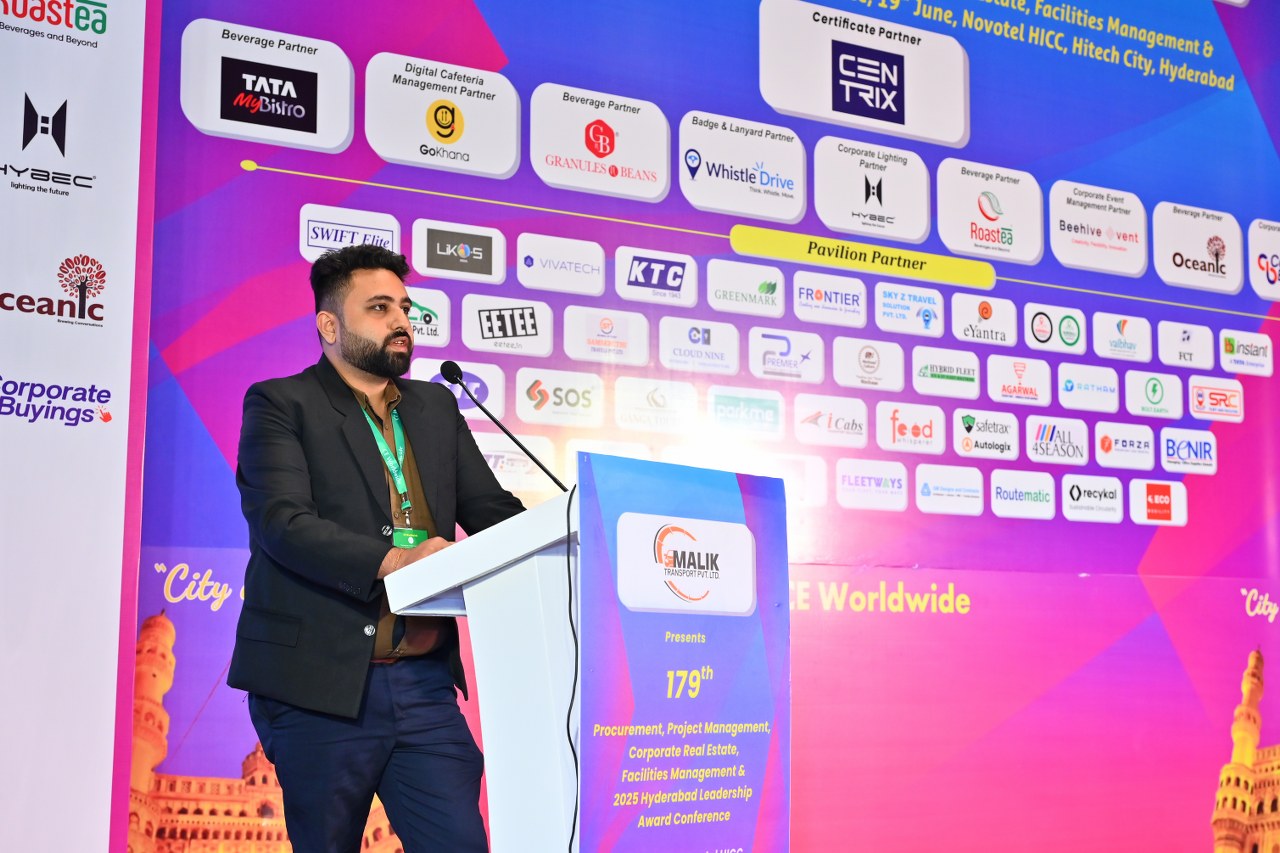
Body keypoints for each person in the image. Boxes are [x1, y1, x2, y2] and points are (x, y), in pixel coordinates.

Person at [228, 243, 524, 852]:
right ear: (329, 325)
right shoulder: (281, 403)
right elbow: (282, 523)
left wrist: (572, 533)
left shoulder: (435, 407)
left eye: (406, 309)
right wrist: (397, 562)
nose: (401, 322)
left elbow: (490, 511)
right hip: (320, 685)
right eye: (380, 308)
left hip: (423, 685)